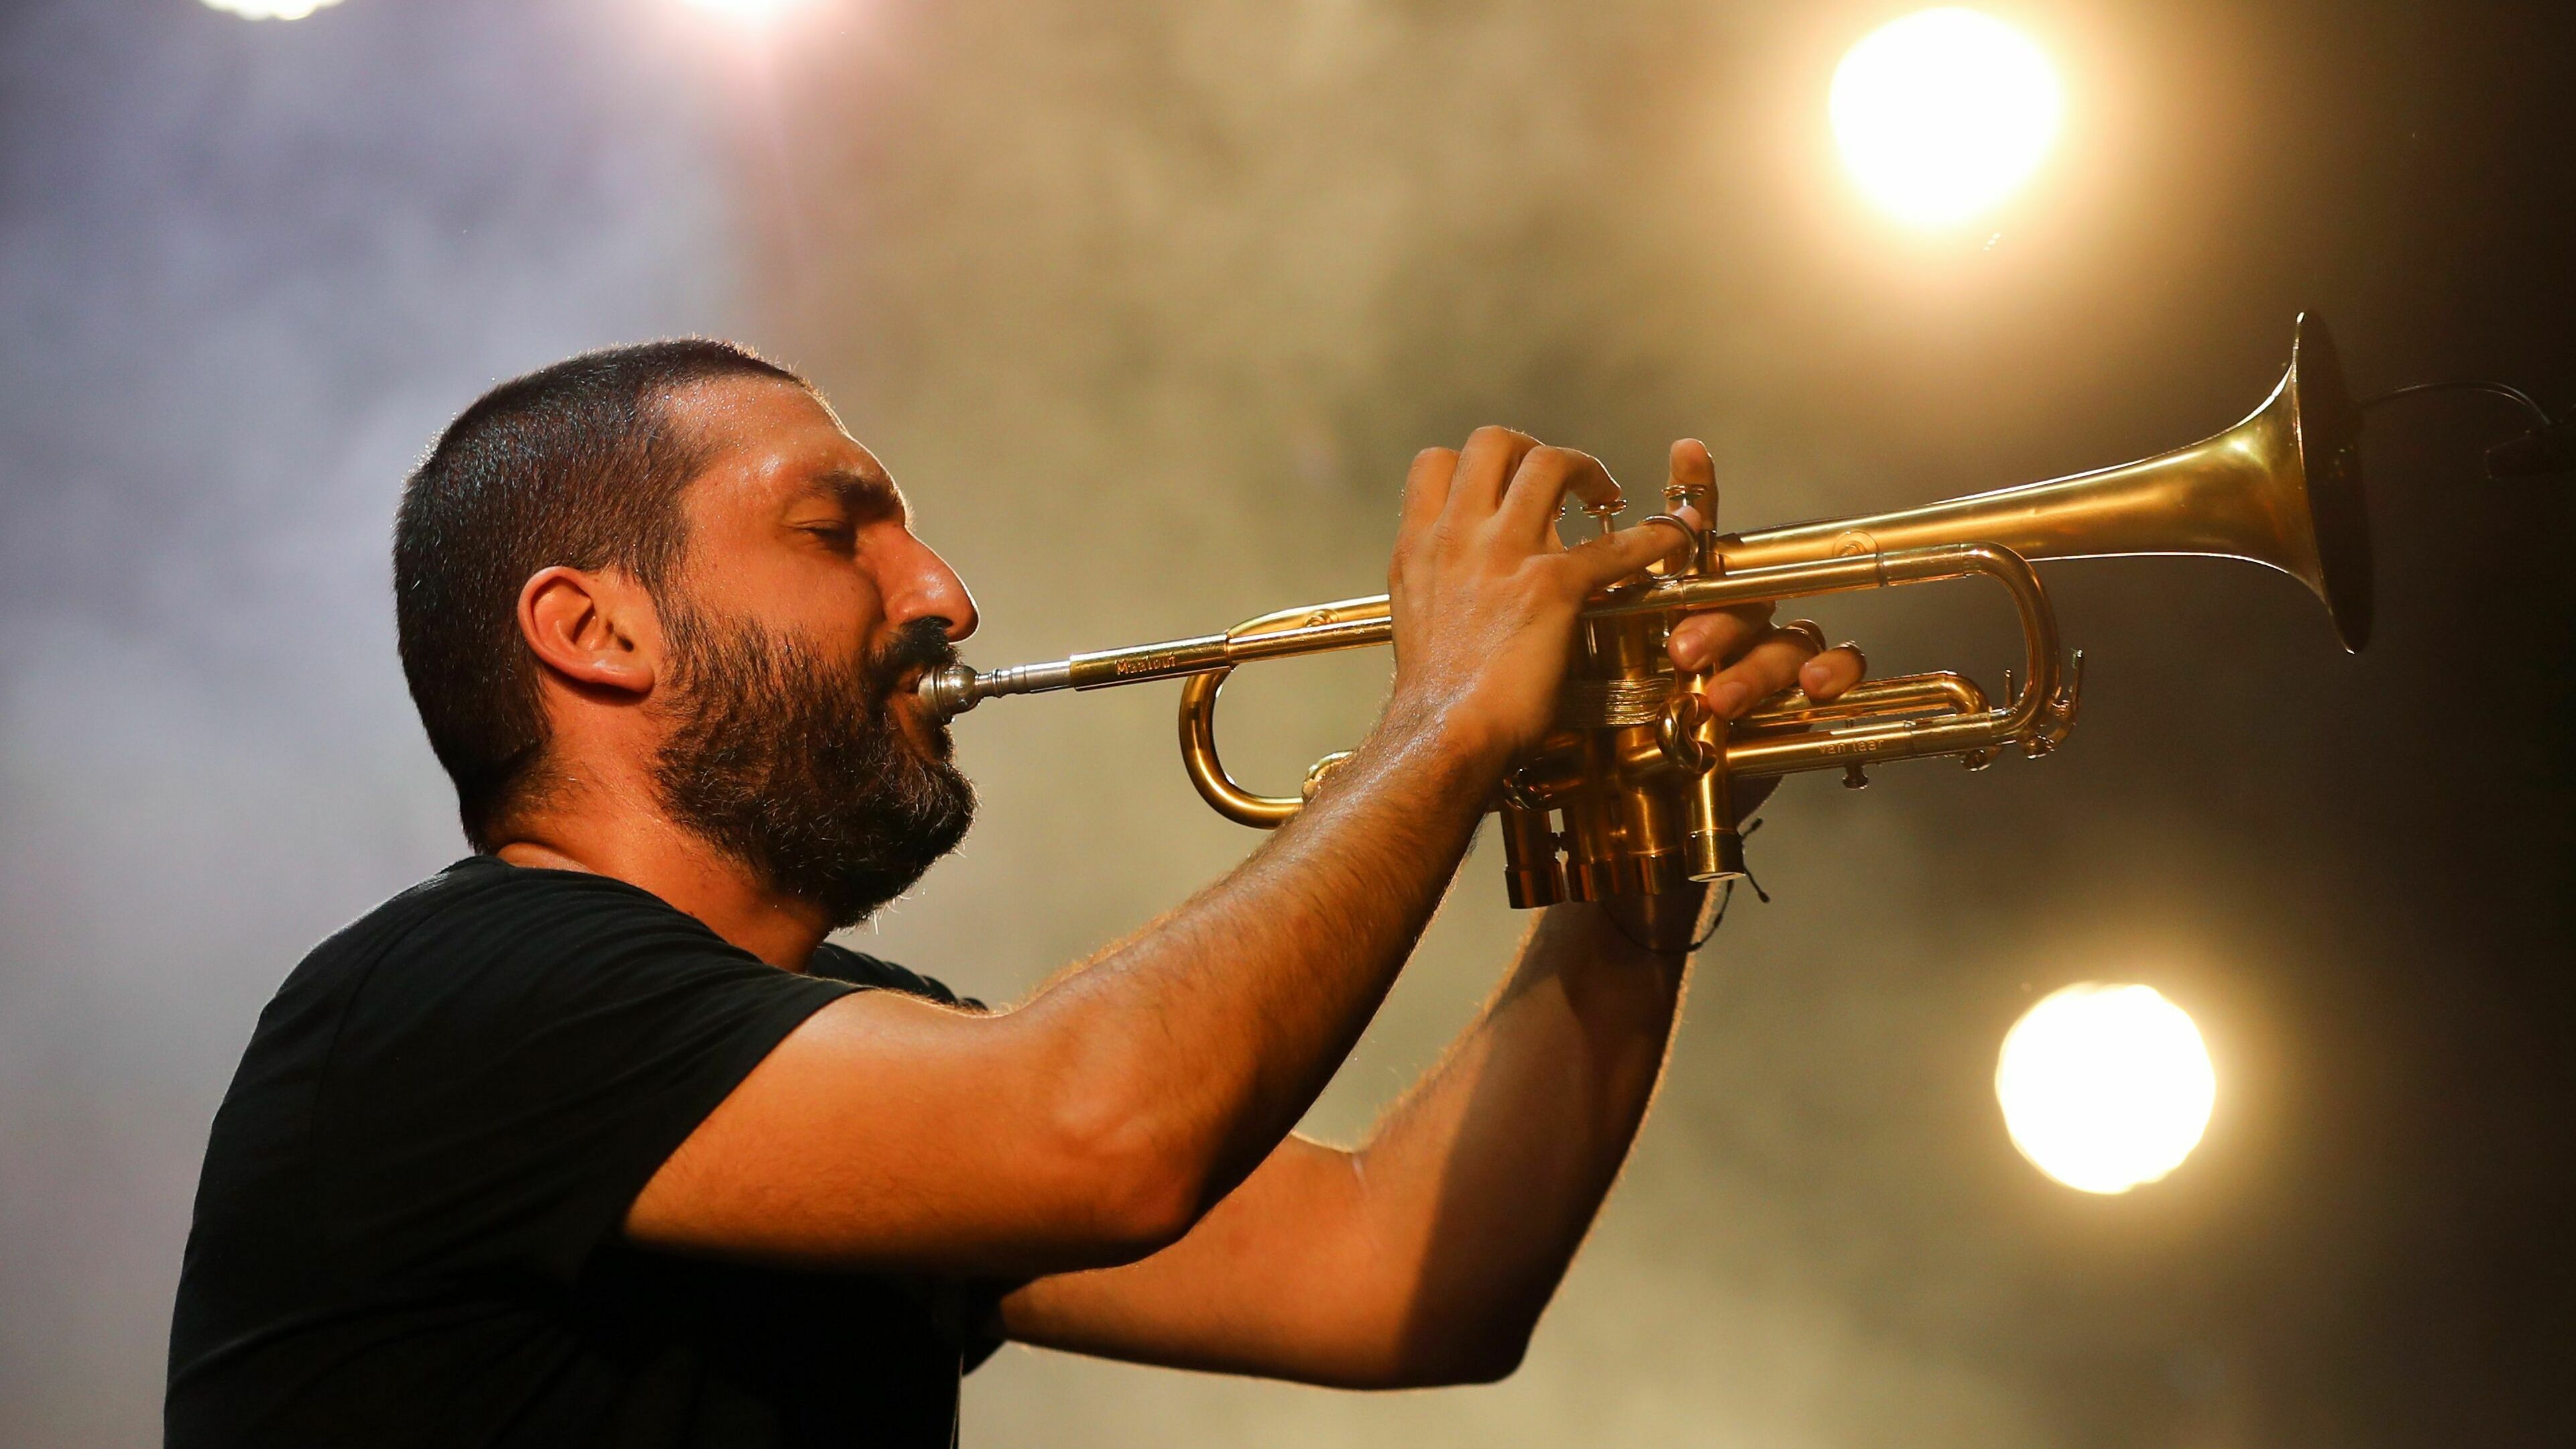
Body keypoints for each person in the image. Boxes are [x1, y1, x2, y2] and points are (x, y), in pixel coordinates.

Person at [166, 341, 1865, 1448]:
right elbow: (1100, 1130)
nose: (948, 594)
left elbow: (1405, 1277)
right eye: (840, 532)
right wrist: (1440, 719)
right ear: (594, 629)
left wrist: (1645, 853)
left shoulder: (849, 1045)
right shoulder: (446, 1003)